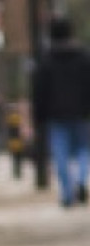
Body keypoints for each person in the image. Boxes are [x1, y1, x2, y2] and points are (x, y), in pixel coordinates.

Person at [33, 15, 90, 208]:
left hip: (56, 116)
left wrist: (39, 117)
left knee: (61, 156)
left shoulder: (46, 60)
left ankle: (67, 194)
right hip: (81, 113)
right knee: (84, 150)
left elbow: (39, 91)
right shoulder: (83, 57)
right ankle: (82, 180)